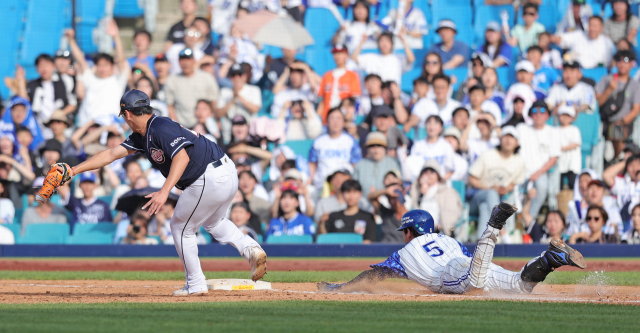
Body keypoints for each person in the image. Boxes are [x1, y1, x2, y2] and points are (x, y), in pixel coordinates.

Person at [44, 89, 267, 296]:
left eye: (123, 115)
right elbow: (111, 154)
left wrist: (163, 191)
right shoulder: (145, 133)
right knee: (214, 223)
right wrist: (73, 170)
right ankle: (251, 249)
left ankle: (196, 282)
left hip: (207, 175)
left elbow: (182, 157)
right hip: (225, 172)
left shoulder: (158, 127)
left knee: (180, 227)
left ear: (128, 114)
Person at [318, 206, 587, 294]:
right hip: (466, 262)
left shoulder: (403, 254)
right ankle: (551, 258)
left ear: (409, 232)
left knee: (474, 282)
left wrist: (339, 288)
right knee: (521, 286)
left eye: (405, 232)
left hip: (451, 274)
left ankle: (493, 225)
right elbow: (472, 260)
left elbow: (372, 276)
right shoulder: (446, 238)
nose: (405, 237)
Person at [65, 21, 129, 126]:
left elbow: (121, 59)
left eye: (105, 65)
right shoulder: (90, 78)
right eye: (100, 65)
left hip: (108, 128)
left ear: (112, 66)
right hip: (86, 126)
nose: (102, 68)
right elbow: (81, 60)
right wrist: (71, 40)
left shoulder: (118, 80)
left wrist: (116, 37)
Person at [468, 126, 525, 239]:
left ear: (517, 142)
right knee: (491, 194)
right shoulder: (488, 155)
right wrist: (489, 188)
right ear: (500, 139)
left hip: (499, 199)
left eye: (512, 137)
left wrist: (506, 189)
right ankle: (502, 232)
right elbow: (472, 178)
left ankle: (482, 242)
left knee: (485, 208)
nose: (508, 140)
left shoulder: (519, 161)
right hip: (477, 197)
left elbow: (514, 183)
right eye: (505, 137)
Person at [517, 100, 560, 220]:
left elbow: (554, 158)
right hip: (520, 172)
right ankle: (517, 221)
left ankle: (529, 219)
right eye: (534, 111)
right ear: (530, 115)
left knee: (541, 186)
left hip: (540, 173)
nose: (538, 114)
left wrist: (537, 174)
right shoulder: (522, 128)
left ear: (547, 115)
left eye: (542, 111)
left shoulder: (553, 131)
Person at [596, 50, 640, 159]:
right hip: (605, 121)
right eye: (619, 60)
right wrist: (609, 89)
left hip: (623, 123)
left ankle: (616, 160)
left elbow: (635, 110)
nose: (622, 64)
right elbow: (597, 104)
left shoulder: (634, 85)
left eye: (625, 61)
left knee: (617, 131)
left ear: (631, 64)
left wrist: (622, 121)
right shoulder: (606, 80)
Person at [164, 48, 219, 129]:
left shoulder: (207, 78)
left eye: (189, 59)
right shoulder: (172, 80)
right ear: (179, 62)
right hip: (182, 126)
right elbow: (170, 106)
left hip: (205, 126)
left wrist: (216, 121)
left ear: (194, 60)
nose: (186, 63)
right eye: (183, 60)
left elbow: (214, 103)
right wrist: (177, 128)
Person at [308, 108, 362, 189]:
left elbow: (356, 165)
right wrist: (308, 182)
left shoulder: (350, 141)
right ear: (327, 121)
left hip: (344, 187)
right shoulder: (318, 141)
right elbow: (312, 164)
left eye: (338, 118)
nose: (335, 121)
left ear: (343, 121)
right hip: (321, 186)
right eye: (332, 118)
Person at [18, 54, 76, 128]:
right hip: (39, 125)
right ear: (37, 69)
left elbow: (73, 103)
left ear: (53, 66)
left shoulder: (64, 81)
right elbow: (25, 100)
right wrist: (20, 80)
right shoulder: (33, 84)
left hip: (59, 125)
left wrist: (60, 114)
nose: (44, 69)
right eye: (41, 66)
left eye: (47, 65)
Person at [409, 160, 462, 236]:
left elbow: (453, 214)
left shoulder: (447, 192)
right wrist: (421, 192)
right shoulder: (417, 190)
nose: (428, 174)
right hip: (421, 231)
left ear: (438, 175)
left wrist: (442, 227)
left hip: (440, 231)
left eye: (432, 171)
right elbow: (413, 209)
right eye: (425, 171)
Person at [317, 44, 362, 122]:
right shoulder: (327, 75)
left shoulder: (352, 75)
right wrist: (317, 118)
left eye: (341, 53)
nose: (337, 56)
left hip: (344, 119)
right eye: (335, 53)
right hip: (326, 118)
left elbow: (355, 100)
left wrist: (353, 120)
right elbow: (322, 100)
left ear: (347, 55)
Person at [353, 132, 401, 198]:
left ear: (385, 147)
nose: (376, 149)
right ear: (367, 148)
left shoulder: (394, 162)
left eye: (379, 145)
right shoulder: (360, 165)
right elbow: (355, 188)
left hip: (388, 203)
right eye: (372, 146)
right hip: (364, 204)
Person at [408, 115, 455, 181]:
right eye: (429, 123)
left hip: (440, 183)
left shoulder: (446, 146)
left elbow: (450, 170)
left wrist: (439, 182)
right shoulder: (418, 145)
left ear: (441, 128)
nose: (432, 126)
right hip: (421, 182)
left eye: (435, 123)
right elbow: (412, 167)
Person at [367, 171, 408, 243]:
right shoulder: (385, 213)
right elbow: (370, 197)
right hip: (385, 251)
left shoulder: (413, 216)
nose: (394, 201)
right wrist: (386, 191)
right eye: (390, 198)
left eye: (397, 195)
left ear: (403, 194)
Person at [603, 153, 640, 220]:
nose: (634, 168)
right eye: (631, 165)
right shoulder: (622, 183)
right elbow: (606, 175)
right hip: (624, 223)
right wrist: (625, 161)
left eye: (638, 164)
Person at [557, 105, 582, 190]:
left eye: (568, 116)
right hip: (560, 161)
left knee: (573, 183)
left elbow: (576, 143)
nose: (565, 118)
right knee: (558, 184)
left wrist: (561, 148)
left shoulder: (574, 129)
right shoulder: (555, 130)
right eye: (563, 115)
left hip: (572, 161)